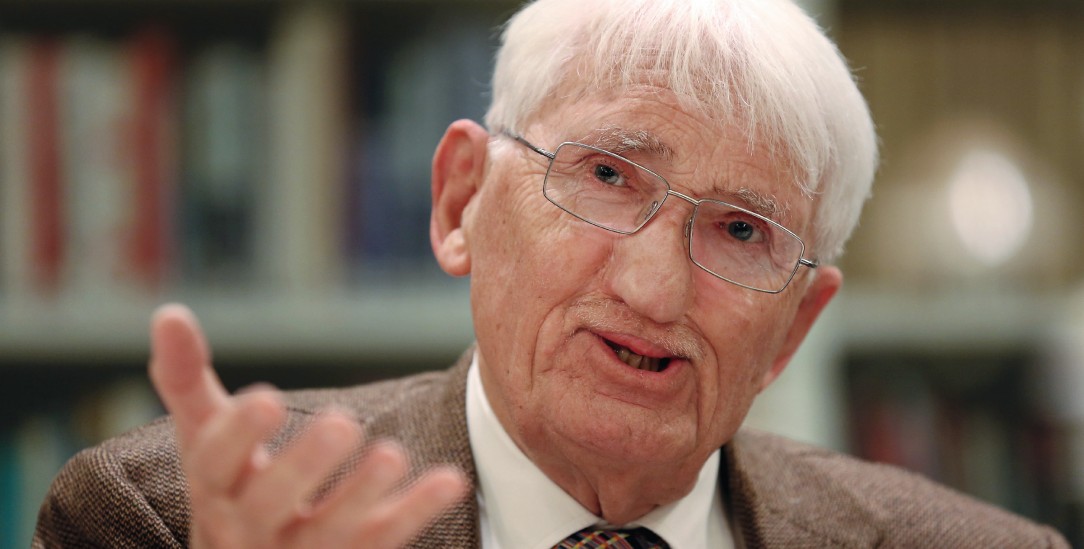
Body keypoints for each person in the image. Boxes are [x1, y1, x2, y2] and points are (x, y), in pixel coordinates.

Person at [34, 0, 1070, 547]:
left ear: (793, 331)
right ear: (459, 204)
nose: (653, 293)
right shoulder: (163, 522)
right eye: (608, 176)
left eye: (743, 234)